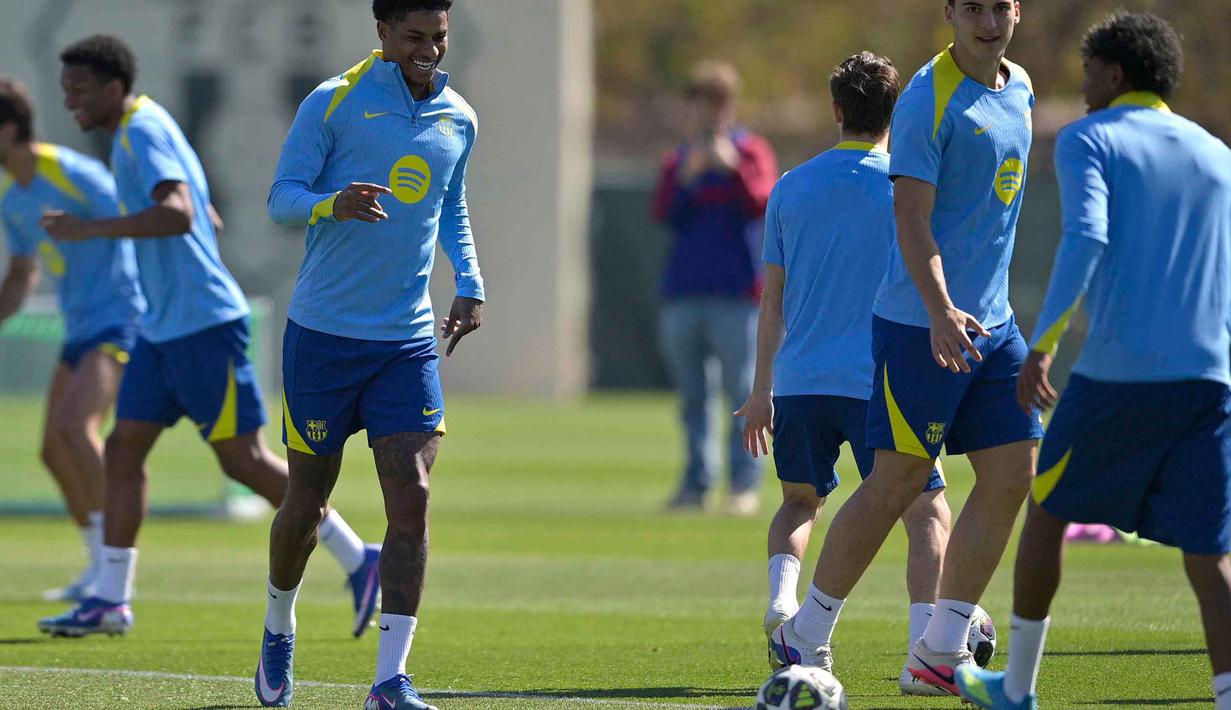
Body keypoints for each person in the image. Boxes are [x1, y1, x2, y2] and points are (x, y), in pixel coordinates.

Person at [36, 35, 379, 640]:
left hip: (201, 326)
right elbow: (203, 210)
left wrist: (90, 230)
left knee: (243, 461)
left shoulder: (139, 133)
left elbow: (180, 212)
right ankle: (112, 597)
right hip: (162, 328)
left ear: (113, 89)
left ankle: (359, 558)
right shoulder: (141, 128)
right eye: (66, 92)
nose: (71, 104)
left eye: (80, 91)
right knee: (123, 450)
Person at [957, 12, 1231, 709]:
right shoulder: (1216, 155)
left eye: (1087, 72)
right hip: (1209, 376)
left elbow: (1084, 237)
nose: (1080, 86)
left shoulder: (1090, 139)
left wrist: (1040, 345)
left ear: (1114, 73)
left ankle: (1015, 688)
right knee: (1209, 553)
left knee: (1045, 512)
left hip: (1120, 376)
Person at [770, 0, 1043, 697]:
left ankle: (937, 650)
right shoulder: (927, 96)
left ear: (1018, 10)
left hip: (992, 326)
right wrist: (939, 308)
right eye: (972, 7)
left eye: (1000, 6)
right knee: (897, 483)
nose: (988, 21)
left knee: (1014, 471)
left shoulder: (1021, 88)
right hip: (922, 325)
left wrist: (983, 313)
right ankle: (804, 632)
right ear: (949, 12)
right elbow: (909, 215)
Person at [259, 0, 484, 706]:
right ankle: (278, 623)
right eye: (412, 37)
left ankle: (389, 679)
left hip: (406, 339)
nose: (427, 51)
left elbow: (450, 203)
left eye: (438, 37)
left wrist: (470, 283)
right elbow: (281, 199)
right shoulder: (334, 102)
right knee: (307, 498)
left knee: (411, 497)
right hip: (322, 338)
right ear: (382, 33)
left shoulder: (460, 117)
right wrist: (334, 203)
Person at [737, 52, 953, 697]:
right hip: (880, 381)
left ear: (836, 109)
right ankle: (928, 649)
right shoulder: (906, 189)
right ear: (896, 114)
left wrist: (759, 391)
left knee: (800, 502)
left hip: (799, 379)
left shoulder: (791, 187)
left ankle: (786, 611)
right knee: (927, 512)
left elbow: (770, 300)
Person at [0, 77, 144, 602]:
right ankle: (97, 564)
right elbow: (21, 274)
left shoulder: (72, 172)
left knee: (74, 426)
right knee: (51, 449)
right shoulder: (13, 197)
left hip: (121, 315)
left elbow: (135, 219)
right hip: (80, 324)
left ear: (10, 129)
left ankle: (116, 573)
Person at [651, 60, 778, 515]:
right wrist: (687, 178)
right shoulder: (680, 157)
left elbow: (764, 202)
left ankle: (744, 485)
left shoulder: (751, 152)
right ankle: (696, 484)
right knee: (692, 399)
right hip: (684, 293)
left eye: (716, 102)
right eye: (701, 102)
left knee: (742, 393)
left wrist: (733, 170)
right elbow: (663, 212)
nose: (708, 112)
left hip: (737, 295)